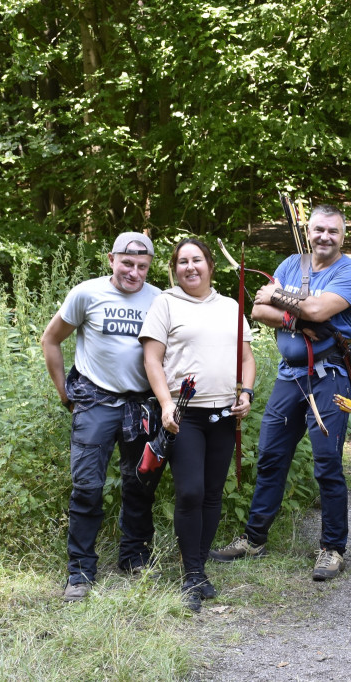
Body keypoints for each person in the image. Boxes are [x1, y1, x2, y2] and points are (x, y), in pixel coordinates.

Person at [210, 204, 351, 581]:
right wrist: (297, 317)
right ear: (308, 231)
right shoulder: (291, 265)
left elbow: (318, 309)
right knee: (271, 455)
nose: (325, 236)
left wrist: (284, 301)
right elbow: (258, 309)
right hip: (290, 376)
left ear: (343, 236)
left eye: (333, 231)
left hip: (330, 375)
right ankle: (254, 539)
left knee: (327, 461)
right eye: (319, 229)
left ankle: (332, 548)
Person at [41, 232, 164, 603]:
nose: (134, 272)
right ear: (111, 259)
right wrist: (65, 394)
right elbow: (51, 339)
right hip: (94, 402)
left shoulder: (159, 300)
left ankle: (134, 557)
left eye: (142, 266)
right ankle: (80, 571)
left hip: (140, 406)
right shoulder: (87, 294)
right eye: (127, 263)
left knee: (139, 483)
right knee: (87, 487)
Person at [139, 238, 255, 612]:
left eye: (197, 260)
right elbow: (152, 359)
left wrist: (247, 393)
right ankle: (191, 574)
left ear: (210, 265)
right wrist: (166, 403)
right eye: (183, 261)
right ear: (175, 269)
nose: (190, 267)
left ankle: (198, 569)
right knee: (190, 492)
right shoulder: (165, 303)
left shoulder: (231, 306)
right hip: (184, 416)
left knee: (212, 493)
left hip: (224, 415)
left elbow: (246, 359)